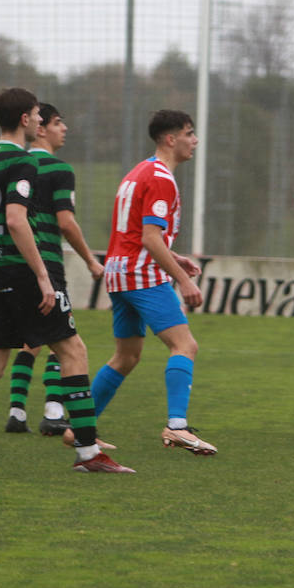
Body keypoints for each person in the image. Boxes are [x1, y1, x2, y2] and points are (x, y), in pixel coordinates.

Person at [0, 87, 133, 474]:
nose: (38, 120)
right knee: (73, 352)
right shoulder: (24, 163)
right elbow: (16, 220)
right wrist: (44, 277)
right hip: (24, 273)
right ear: (24, 120)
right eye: (35, 114)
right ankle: (88, 453)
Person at [90, 109, 217, 456]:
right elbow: (149, 237)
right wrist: (184, 282)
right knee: (185, 345)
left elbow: (135, 234)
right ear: (169, 139)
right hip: (141, 274)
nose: (195, 140)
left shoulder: (139, 171)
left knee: (126, 356)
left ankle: (80, 428)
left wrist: (174, 257)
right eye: (189, 133)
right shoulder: (161, 177)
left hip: (118, 271)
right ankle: (177, 427)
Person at [3, 102, 105, 437]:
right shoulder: (59, 170)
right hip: (46, 263)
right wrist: (90, 259)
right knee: (63, 340)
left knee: (30, 340)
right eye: (59, 123)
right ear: (41, 128)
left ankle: (17, 412)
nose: (66, 129)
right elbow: (67, 223)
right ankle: (55, 413)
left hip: (13, 264)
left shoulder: (15, 164)